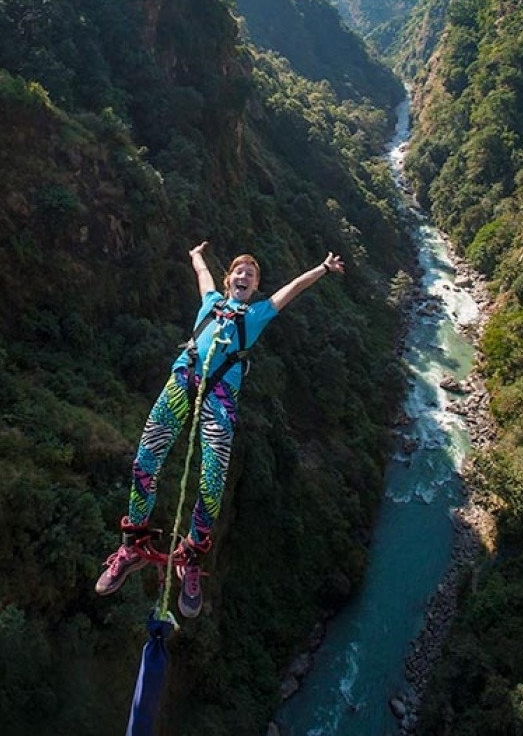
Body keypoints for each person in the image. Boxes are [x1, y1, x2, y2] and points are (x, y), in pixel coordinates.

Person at [95, 241, 344, 617]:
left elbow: (291, 290)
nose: (245, 276)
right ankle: (132, 546)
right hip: (183, 380)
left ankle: (192, 555)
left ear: (255, 286)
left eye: (252, 274)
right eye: (239, 271)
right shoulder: (210, 301)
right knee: (145, 460)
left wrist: (322, 269)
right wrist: (195, 254)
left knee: (213, 479)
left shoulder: (258, 313)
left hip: (220, 397)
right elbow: (202, 274)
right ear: (229, 280)